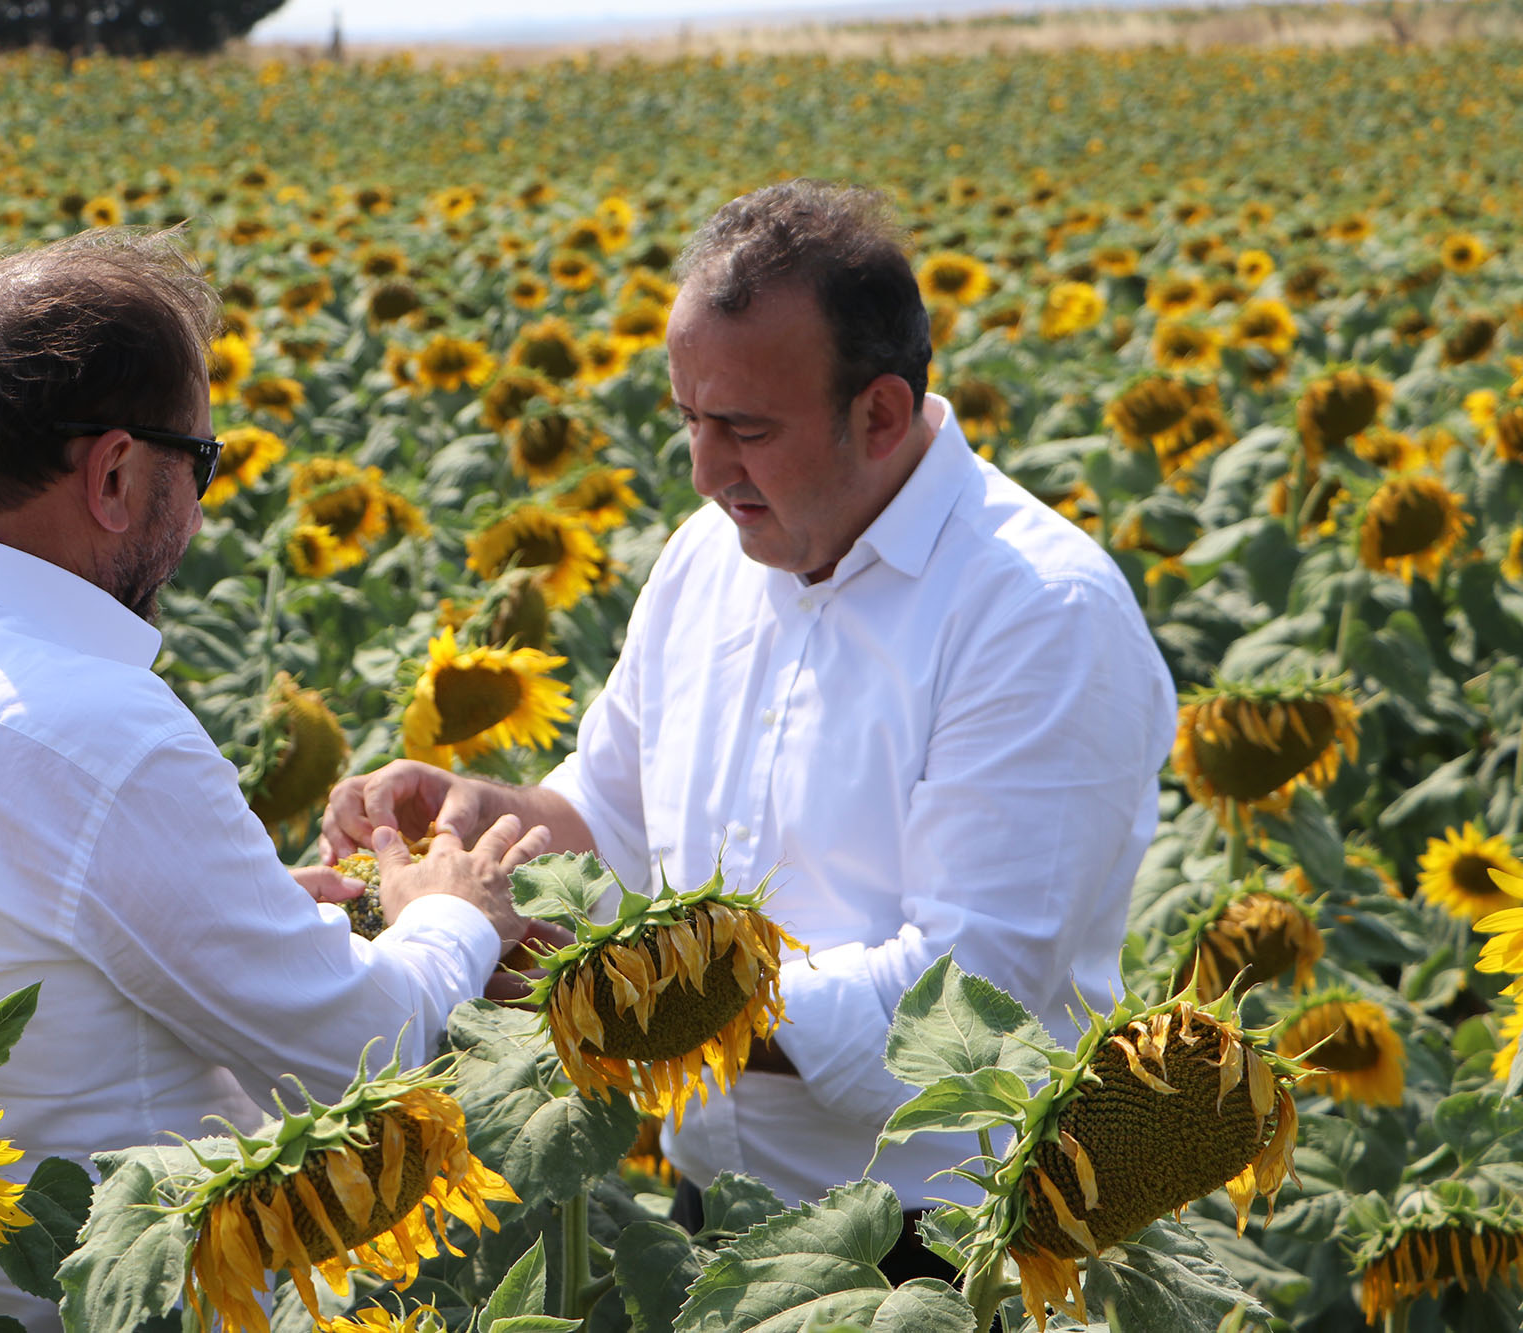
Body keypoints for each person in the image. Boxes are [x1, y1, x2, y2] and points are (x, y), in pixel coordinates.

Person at [0, 229, 549, 1332]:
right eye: (203, 464)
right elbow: (359, 1053)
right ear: (116, 472)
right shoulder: (99, 733)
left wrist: (237, 908)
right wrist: (445, 918)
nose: (198, 509)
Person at [321, 179, 1178, 1280]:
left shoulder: (1034, 614)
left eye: (745, 429)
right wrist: (492, 821)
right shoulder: (704, 560)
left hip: (942, 1248)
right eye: (689, 418)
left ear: (876, 411)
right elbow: (612, 816)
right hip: (713, 1216)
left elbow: (968, 1004)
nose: (703, 469)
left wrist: (621, 991)